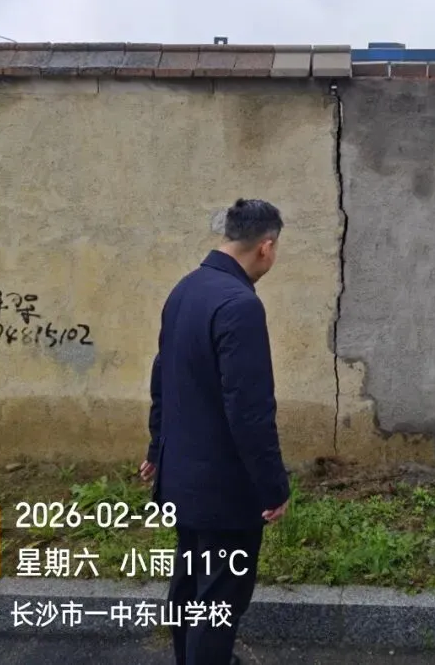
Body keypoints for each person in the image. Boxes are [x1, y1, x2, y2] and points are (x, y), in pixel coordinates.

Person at [140, 198, 291, 665]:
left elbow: (162, 377)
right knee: (220, 598)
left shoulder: (185, 290)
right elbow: (249, 410)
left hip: (181, 478)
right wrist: (273, 487)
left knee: (190, 582)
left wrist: (157, 449)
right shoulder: (240, 305)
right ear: (266, 247)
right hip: (224, 489)